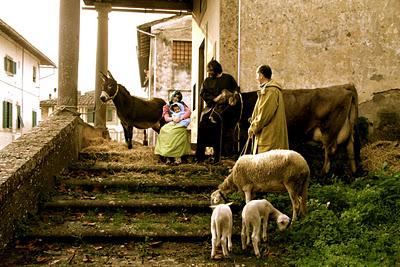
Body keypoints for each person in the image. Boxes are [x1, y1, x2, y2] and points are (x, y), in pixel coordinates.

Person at [195, 59, 239, 163]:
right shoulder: (207, 81)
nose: (209, 73)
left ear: (217, 70)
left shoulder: (228, 78)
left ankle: (220, 156)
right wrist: (214, 99)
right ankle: (200, 157)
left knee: (222, 131)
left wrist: (232, 96)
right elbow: (203, 93)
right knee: (202, 127)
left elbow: (236, 89)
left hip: (226, 108)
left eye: (210, 71)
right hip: (210, 107)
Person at [248, 64, 289, 154]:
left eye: (257, 75)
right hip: (270, 135)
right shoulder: (271, 90)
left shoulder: (270, 91)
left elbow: (264, 115)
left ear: (261, 75)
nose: (256, 78)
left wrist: (253, 128)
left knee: (266, 165)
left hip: (269, 137)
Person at [154, 91, 191, 165]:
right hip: (171, 123)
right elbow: (166, 118)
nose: (176, 99)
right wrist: (173, 119)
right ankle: (167, 156)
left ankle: (177, 157)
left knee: (177, 132)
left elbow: (188, 112)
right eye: (175, 96)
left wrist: (180, 118)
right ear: (172, 96)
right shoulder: (167, 106)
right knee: (164, 130)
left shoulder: (182, 105)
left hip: (180, 122)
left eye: (178, 97)